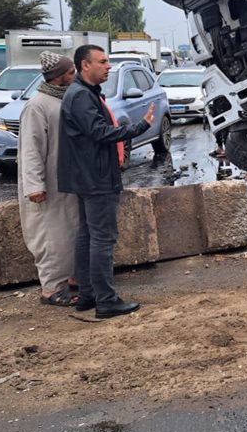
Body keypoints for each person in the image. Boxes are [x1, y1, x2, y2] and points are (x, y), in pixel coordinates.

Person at [58, 45, 155, 319]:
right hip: (96, 177)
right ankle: (106, 301)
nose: (109, 66)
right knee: (102, 238)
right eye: (103, 62)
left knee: (88, 234)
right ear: (85, 65)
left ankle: (88, 295)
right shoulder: (80, 96)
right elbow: (99, 132)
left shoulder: (83, 93)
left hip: (88, 175)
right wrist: (139, 127)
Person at [19, 52, 80, 307]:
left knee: (69, 234)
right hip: (46, 187)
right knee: (50, 237)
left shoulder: (62, 100)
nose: (74, 75)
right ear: (59, 78)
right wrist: (34, 186)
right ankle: (51, 290)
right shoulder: (37, 106)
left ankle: (72, 279)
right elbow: (30, 149)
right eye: (71, 72)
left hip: (66, 182)